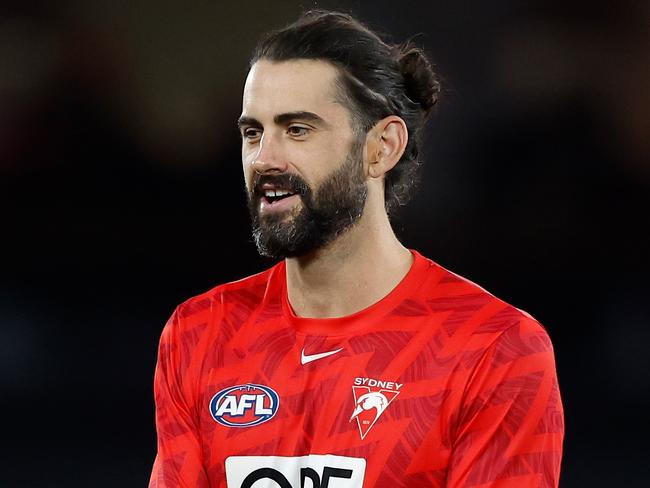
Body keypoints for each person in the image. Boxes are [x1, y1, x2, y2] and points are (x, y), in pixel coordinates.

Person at [149, 10, 564, 488]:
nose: (264, 158)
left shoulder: (493, 348)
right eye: (253, 133)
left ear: (382, 147)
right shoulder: (200, 334)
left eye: (298, 129)